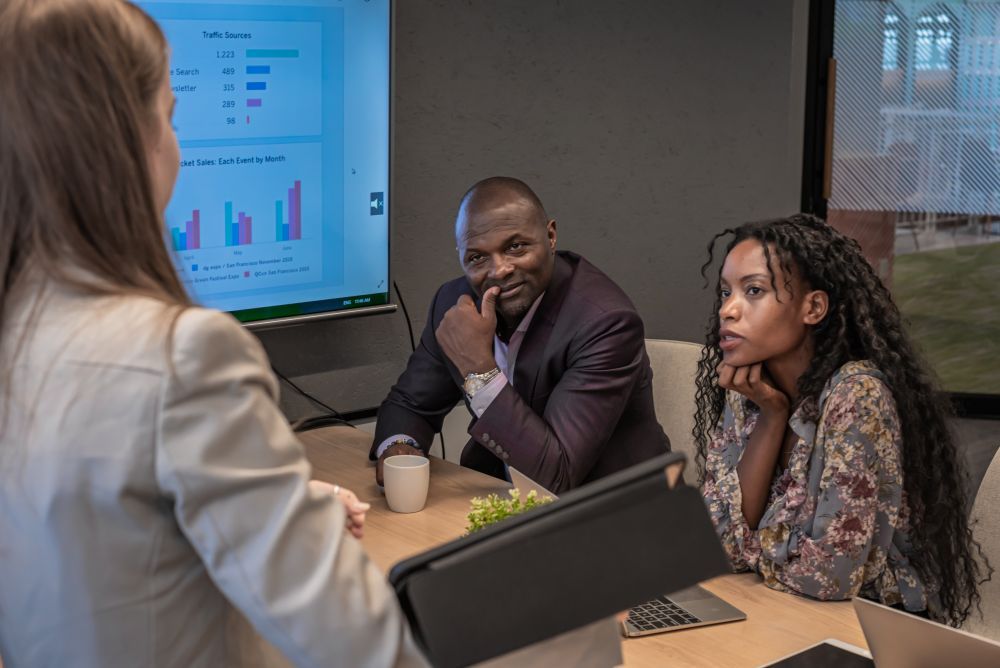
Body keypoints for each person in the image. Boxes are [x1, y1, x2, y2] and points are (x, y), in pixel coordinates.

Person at [0, 1, 426, 665]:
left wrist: (268, 499)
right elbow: (357, 643)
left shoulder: (21, 337)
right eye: (170, 116)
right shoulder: (185, 356)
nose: (177, 144)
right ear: (131, 143)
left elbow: (95, 534)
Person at [694, 214, 988, 626]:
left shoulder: (857, 397)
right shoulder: (751, 390)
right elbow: (714, 545)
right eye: (725, 292)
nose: (728, 309)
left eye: (754, 290)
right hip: (780, 611)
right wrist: (773, 417)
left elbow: (830, 577)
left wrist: (750, 550)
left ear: (813, 307)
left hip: (871, 629)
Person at [370, 177, 669, 494]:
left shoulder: (605, 322)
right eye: (477, 257)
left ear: (551, 236)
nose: (499, 270)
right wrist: (399, 444)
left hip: (611, 510)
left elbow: (558, 475)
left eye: (515, 247)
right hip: (498, 493)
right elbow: (410, 404)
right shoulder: (455, 305)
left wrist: (478, 371)